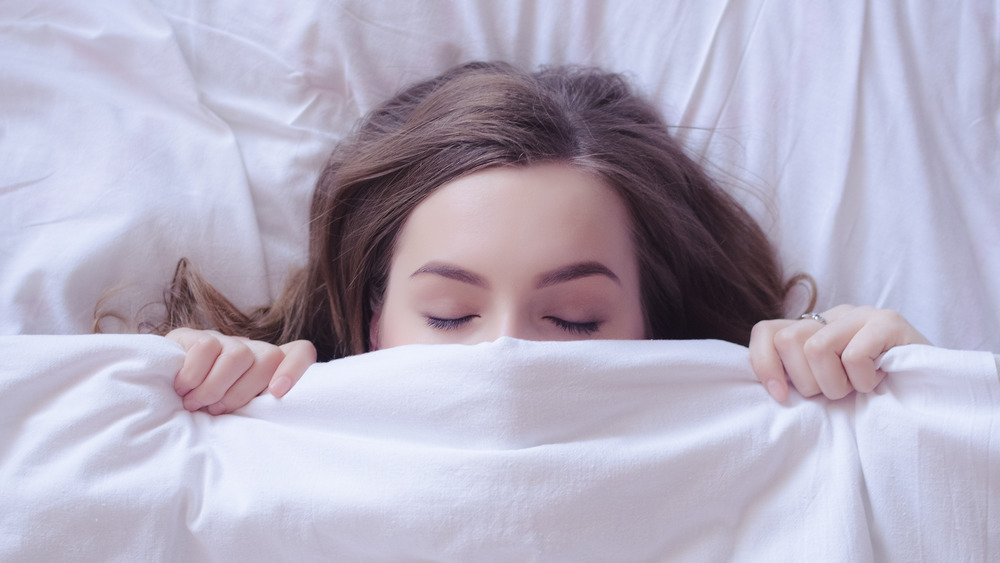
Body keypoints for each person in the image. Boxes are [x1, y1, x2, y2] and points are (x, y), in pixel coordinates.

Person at [155, 61, 929, 416]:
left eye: (575, 319)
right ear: (368, 322)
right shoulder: (256, 430)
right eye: (450, 314)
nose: (506, 358)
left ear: (655, 324)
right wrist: (196, 398)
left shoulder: (780, 437)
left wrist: (912, 400)